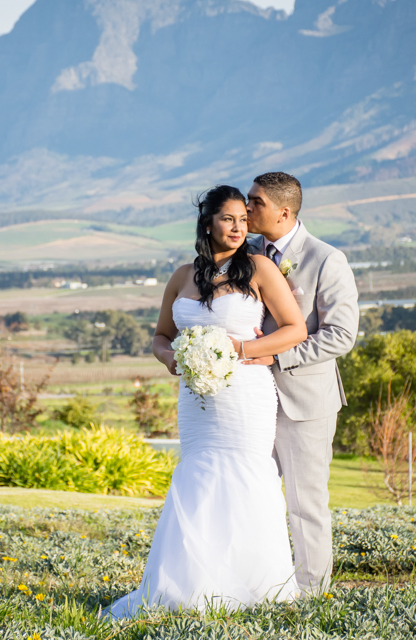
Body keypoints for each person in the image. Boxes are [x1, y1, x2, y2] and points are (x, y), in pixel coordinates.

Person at [107, 185, 308, 618]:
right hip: (195, 400)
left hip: (245, 396)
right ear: (207, 223)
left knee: (245, 478)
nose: (238, 228)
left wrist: (241, 349)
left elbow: (296, 329)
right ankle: (191, 586)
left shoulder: (259, 268)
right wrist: (171, 358)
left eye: (243, 220)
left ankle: (259, 586)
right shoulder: (182, 276)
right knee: (198, 479)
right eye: (228, 219)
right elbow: (161, 336)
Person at [244, 172, 360, 595]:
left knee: (305, 505)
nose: (246, 208)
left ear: (284, 212)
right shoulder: (245, 254)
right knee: (252, 498)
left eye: (256, 202)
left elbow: (341, 335)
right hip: (249, 400)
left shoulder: (327, 259)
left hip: (305, 403)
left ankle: (311, 596)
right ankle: (256, 587)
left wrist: (278, 356)